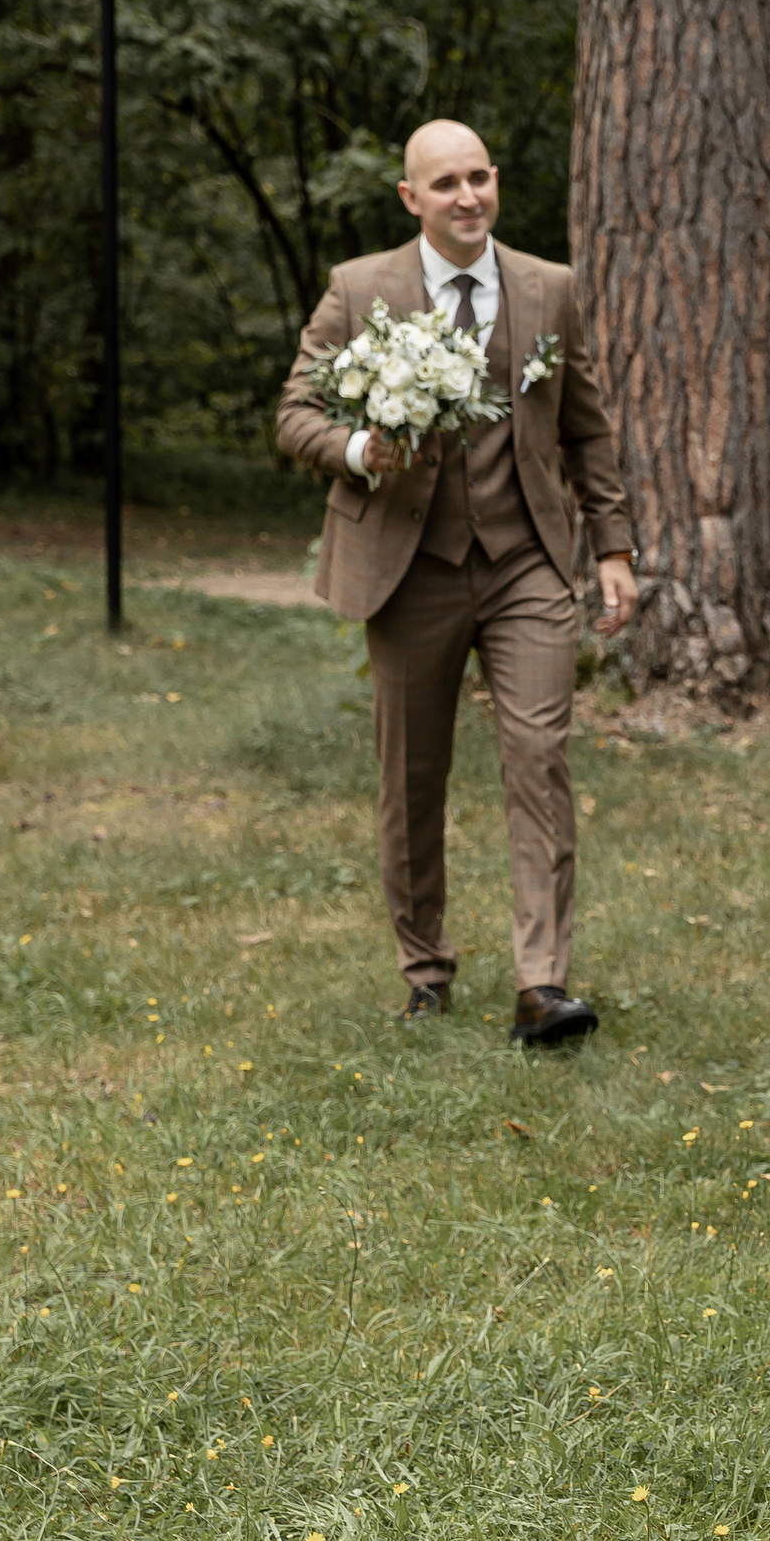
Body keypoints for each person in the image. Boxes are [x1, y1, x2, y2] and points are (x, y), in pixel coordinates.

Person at [275, 119, 636, 1046]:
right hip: (409, 567)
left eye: (479, 178)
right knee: (412, 775)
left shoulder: (549, 289)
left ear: (497, 182)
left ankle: (542, 985)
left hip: (527, 562)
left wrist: (612, 546)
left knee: (539, 758)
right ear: (411, 199)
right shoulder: (360, 290)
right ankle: (425, 969)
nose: (467, 197)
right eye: (446, 184)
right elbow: (295, 413)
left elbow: (587, 428)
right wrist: (362, 446)